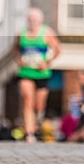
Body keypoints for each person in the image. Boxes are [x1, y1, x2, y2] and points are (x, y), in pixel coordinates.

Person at [13, 8, 61, 143]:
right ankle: (29, 133)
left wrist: (47, 62)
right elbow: (15, 50)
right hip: (26, 72)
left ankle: (38, 120)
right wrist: (19, 60)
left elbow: (57, 50)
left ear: (40, 20)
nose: (32, 21)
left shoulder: (47, 33)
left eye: (35, 19)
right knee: (28, 101)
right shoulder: (21, 34)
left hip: (41, 73)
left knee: (39, 105)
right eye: (30, 19)